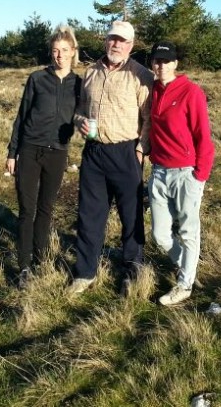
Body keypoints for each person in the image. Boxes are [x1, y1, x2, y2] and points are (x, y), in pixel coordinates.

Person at [68, 20, 154, 295]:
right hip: (93, 152)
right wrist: (80, 121)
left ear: (131, 45)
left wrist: (141, 150)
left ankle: (131, 270)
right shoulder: (91, 72)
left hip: (126, 152)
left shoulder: (142, 76)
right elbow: (79, 108)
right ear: (106, 41)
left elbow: (149, 119)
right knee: (89, 214)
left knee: (131, 216)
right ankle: (85, 272)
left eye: (122, 40)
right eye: (112, 39)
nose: (116, 44)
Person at [5, 25, 82, 289]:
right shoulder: (37, 79)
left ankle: (41, 260)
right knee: (27, 210)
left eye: (64, 50)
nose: (59, 55)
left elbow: (84, 115)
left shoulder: (79, 84)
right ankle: (24, 267)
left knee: (46, 210)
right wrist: (12, 151)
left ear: (73, 52)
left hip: (57, 154)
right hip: (29, 150)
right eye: (55, 51)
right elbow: (22, 116)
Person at [146, 41, 215, 305]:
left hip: (186, 173)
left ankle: (185, 284)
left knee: (188, 231)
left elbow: (203, 137)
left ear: (175, 63)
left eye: (166, 61)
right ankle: (189, 262)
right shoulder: (152, 90)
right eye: (156, 60)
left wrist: (200, 177)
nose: (160, 65)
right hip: (159, 171)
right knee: (161, 235)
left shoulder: (191, 92)